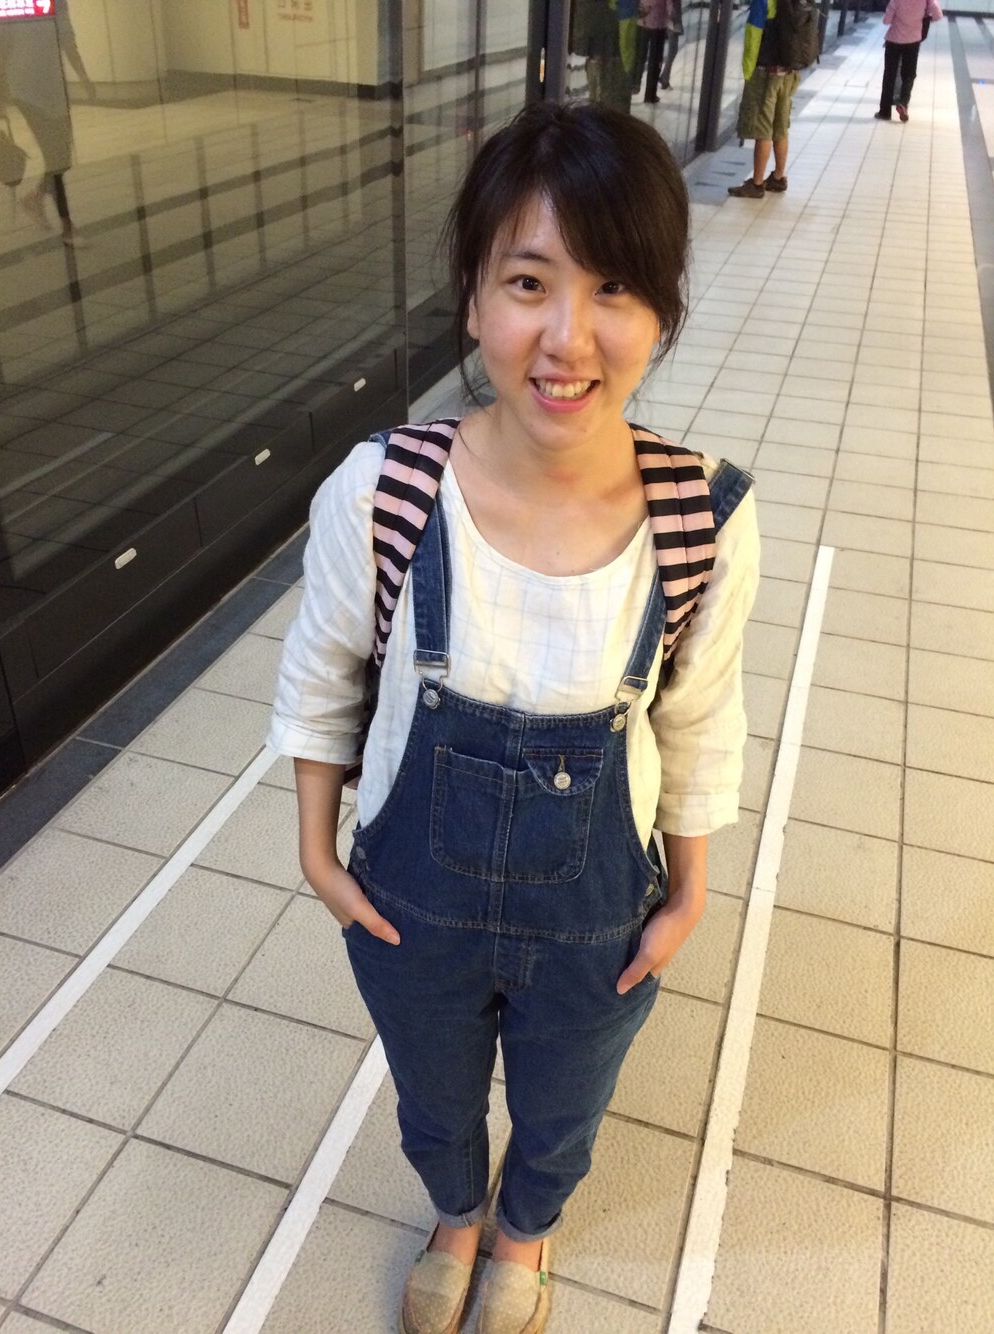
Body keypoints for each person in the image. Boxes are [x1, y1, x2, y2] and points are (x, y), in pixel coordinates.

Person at [269, 103, 759, 1334]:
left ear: (661, 311)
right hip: (409, 907)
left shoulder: (700, 516)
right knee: (433, 1097)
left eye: (613, 288)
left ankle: (524, 1227)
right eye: (528, 282)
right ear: (474, 297)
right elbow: (322, 671)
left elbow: (700, 715)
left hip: (599, 918)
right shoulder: (384, 488)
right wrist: (318, 853)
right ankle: (454, 1210)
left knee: (562, 1105)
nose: (566, 337)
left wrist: (688, 893)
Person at [0, 0, 94, 245]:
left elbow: (67, 40)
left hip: (54, 87)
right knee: (55, 156)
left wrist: (83, 77)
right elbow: (0, 48)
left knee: (63, 155)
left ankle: (35, 198)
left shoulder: (58, 3)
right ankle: (67, 226)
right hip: (26, 90)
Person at [728, 0, 800, 198]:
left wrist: (748, 72)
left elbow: (753, 35)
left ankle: (757, 183)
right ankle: (778, 176)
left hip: (766, 73)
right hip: (789, 72)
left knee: (763, 128)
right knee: (780, 125)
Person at [874, 0, 942, 122]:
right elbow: (937, 15)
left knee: (889, 75)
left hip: (894, 40)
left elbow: (886, 21)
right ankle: (903, 103)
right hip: (913, 41)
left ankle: (885, 111)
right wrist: (922, 18)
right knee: (909, 74)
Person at [639, 0, 683, 102]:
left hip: (646, 19)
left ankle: (637, 85)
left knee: (644, 56)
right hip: (659, 21)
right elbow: (669, 5)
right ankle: (651, 94)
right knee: (656, 60)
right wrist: (672, 16)